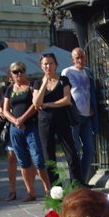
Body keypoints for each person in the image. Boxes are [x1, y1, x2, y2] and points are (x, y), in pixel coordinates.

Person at [33, 52, 84, 186]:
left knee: (71, 153)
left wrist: (48, 104)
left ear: (56, 65)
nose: (48, 66)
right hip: (44, 122)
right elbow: (36, 103)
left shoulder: (63, 80)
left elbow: (66, 100)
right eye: (45, 64)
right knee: (49, 157)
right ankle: (56, 188)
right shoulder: (38, 83)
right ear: (41, 66)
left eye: (51, 63)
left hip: (62, 120)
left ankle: (77, 184)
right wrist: (44, 83)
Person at [2, 62, 50, 201]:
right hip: (15, 129)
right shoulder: (9, 89)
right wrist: (15, 120)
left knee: (38, 159)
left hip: (30, 126)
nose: (19, 74)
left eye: (21, 71)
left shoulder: (32, 85)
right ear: (11, 74)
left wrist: (22, 118)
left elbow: (35, 105)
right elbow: (5, 109)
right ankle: (30, 191)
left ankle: (47, 188)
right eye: (15, 72)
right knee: (23, 161)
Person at [62, 47, 98, 181]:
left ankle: (82, 179)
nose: (80, 60)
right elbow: (63, 91)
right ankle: (75, 180)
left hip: (87, 116)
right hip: (74, 116)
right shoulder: (67, 72)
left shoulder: (88, 72)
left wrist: (92, 107)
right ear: (73, 59)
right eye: (77, 57)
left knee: (89, 149)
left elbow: (92, 92)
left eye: (82, 57)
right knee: (74, 149)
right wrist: (71, 108)